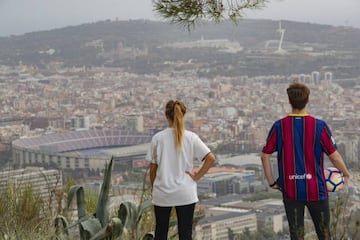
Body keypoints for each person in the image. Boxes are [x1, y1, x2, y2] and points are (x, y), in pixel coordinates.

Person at [261, 82, 350, 240]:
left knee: (297, 235)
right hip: (317, 189)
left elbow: (265, 155)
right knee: (324, 234)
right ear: (308, 100)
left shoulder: (279, 126)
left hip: (291, 189)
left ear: (289, 101)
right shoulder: (319, 126)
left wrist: (272, 182)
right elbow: (334, 156)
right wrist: (345, 173)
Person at [147, 99, 215, 240]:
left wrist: (153, 188)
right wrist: (197, 176)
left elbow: (153, 169)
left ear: (166, 116)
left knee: (160, 231)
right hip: (185, 192)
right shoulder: (191, 137)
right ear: (183, 115)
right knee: (185, 233)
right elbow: (210, 158)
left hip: (162, 192)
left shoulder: (158, 139)